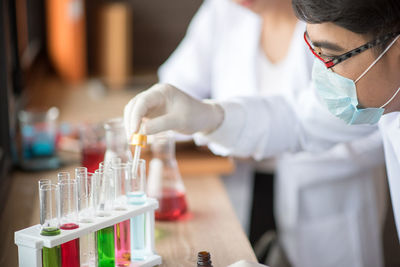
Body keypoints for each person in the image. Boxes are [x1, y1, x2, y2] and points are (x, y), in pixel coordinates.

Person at [124, 0, 400, 265]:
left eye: (330, 56)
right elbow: (299, 119)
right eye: (314, 52)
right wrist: (211, 117)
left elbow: (355, 134)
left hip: (330, 207)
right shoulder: (385, 101)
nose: (321, 75)